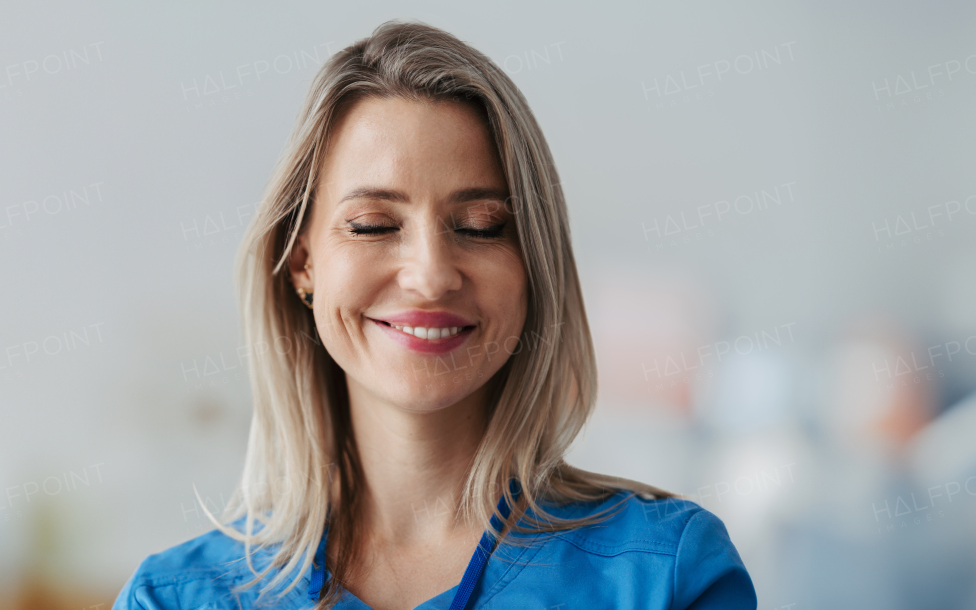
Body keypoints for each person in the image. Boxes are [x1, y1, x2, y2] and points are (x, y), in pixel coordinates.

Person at [113, 20, 756, 610]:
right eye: (372, 226)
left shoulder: (663, 575)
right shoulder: (175, 598)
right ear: (303, 262)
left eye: (480, 226)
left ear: (534, 265)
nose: (430, 275)